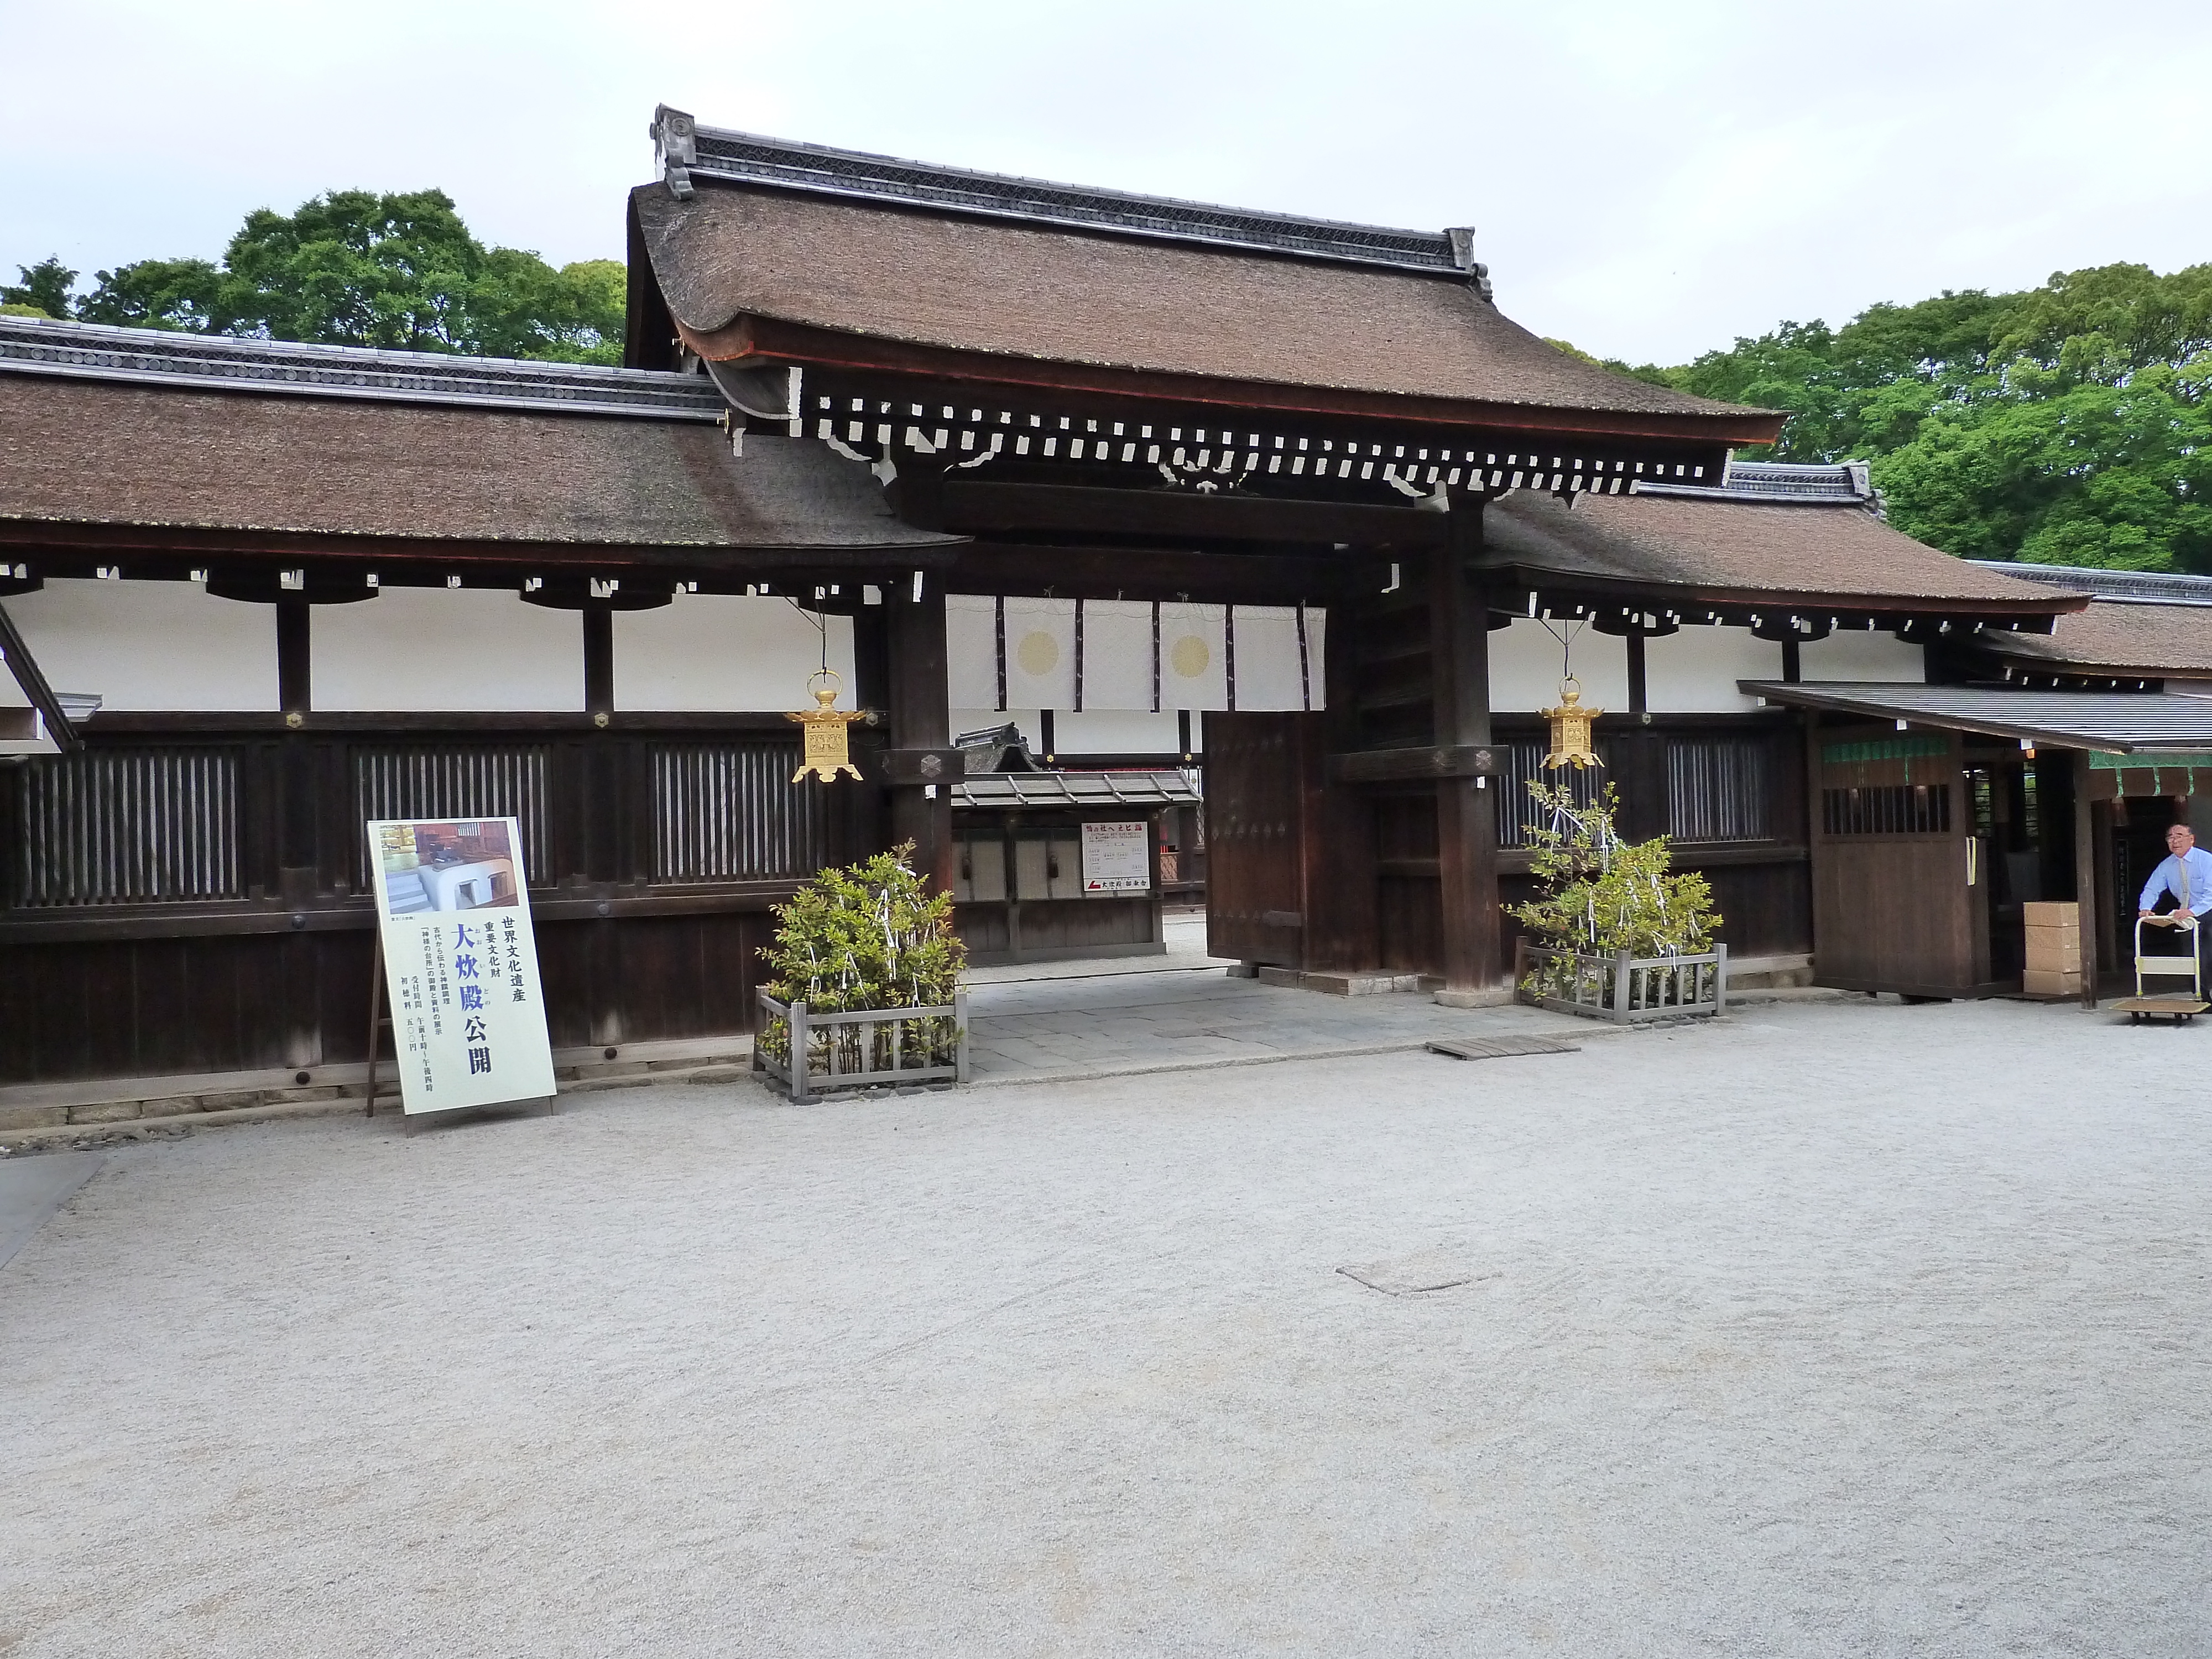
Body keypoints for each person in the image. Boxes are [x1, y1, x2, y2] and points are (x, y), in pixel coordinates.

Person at [2136, 820, 2212, 985]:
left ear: (2191, 839)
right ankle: (2201, 997)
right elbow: (2152, 888)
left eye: (2179, 836)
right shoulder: (2167, 865)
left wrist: (2192, 912)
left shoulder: (2206, 860)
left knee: (2207, 955)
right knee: (2190, 958)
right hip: (2186, 916)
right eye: (2170, 838)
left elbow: (2211, 895)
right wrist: (2146, 908)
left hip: (2207, 910)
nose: (2175, 841)